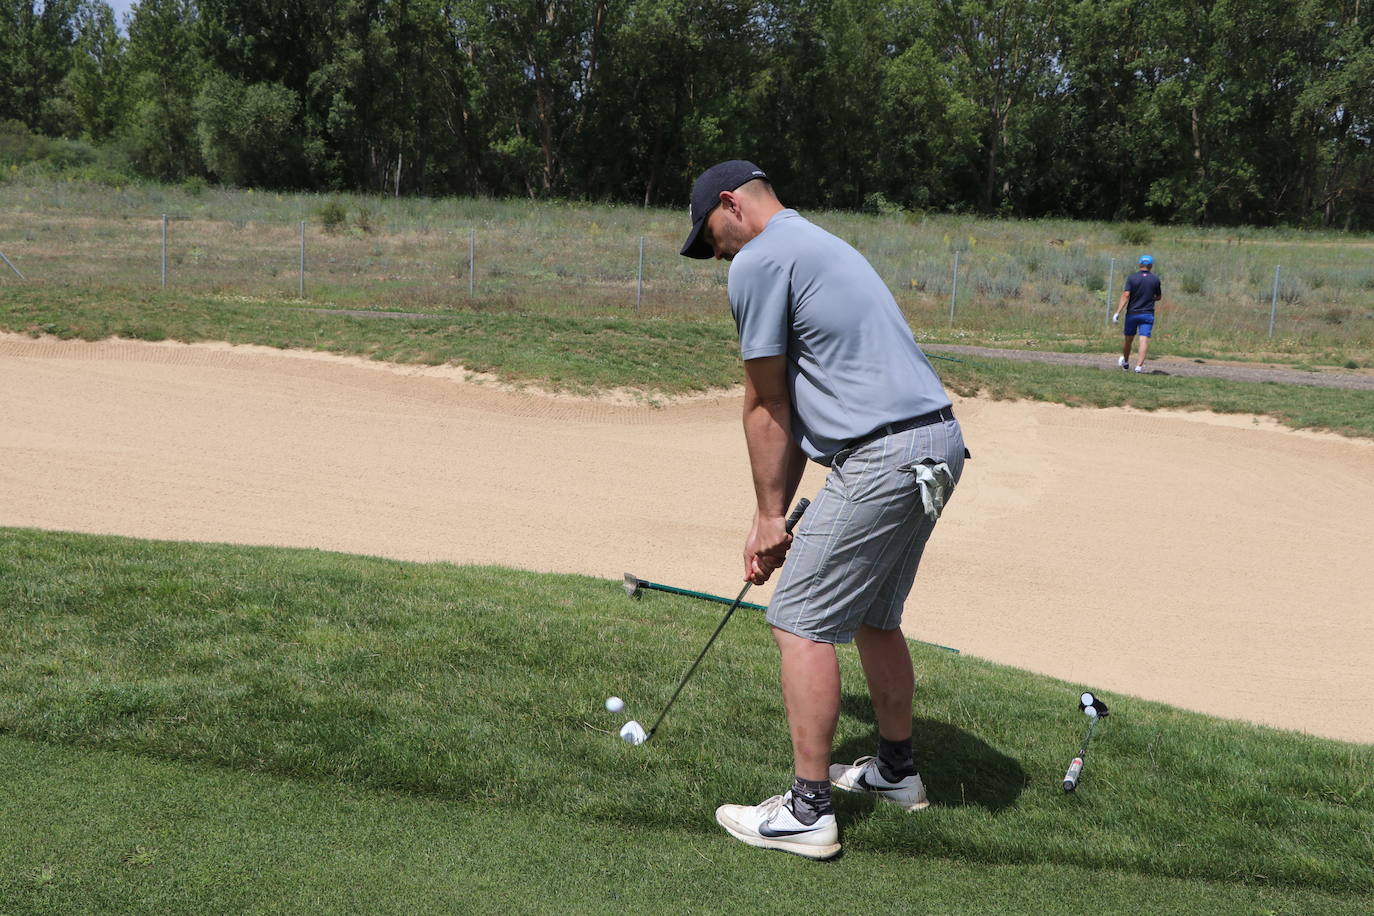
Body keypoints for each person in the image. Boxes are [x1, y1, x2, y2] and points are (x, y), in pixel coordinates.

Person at [679, 160, 968, 860]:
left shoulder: (759, 259)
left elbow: (768, 403)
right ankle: (896, 773)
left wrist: (769, 516)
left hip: (884, 455)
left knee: (799, 621)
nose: (714, 251)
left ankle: (809, 810)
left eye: (710, 235)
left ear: (731, 206)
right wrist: (770, 513)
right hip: (939, 440)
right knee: (873, 616)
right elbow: (803, 399)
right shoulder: (820, 242)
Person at [1113, 255, 1161, 373]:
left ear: (1140, 264)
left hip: (1132, 314)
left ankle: (1126, 363)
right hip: (1148, 314)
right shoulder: (1155, 279)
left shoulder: (1132, 278)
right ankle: (1139, 367)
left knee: (1128, 340)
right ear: (1151, 266)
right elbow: (1158, 297)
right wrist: (1150, 299)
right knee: (1143, 340)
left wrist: (1117, 312)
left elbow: (1126, 295)